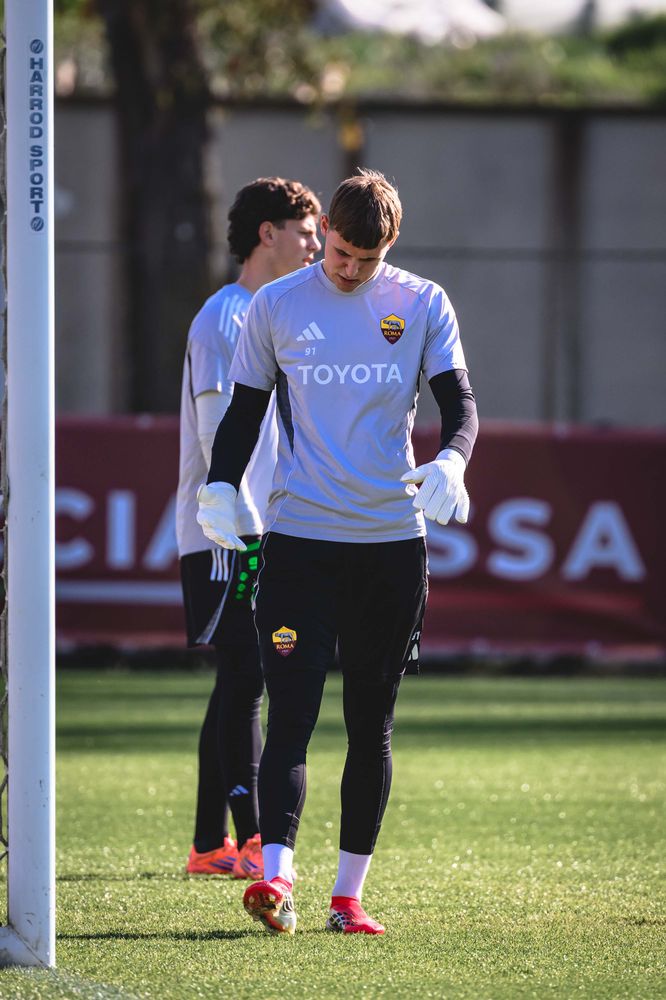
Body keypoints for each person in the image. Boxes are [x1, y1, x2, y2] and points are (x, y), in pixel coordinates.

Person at [196, 169, 478, 933]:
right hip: (300, 544)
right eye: (341, 253)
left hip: (391, 546)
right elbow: (246, 411)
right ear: (327, 238)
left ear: (390, 248)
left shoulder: (421, 303)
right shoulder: (277, 304)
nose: (349, 270)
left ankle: (347, 899)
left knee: (370, 723)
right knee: (290, 713)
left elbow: (459, 407)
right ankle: (277, 881)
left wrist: (452, 460)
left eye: (366, 258)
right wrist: (222, 486)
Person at [176, 177, 321, 880]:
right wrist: (248, 527)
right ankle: (255, 839)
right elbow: (215, 440)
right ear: (268, 233)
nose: (317, 245)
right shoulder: (226, 318)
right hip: (229, 537)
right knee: (247, 676)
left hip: (263, 532)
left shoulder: (274, 317)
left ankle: (211, 844)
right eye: (305, 231)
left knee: (239, 681)